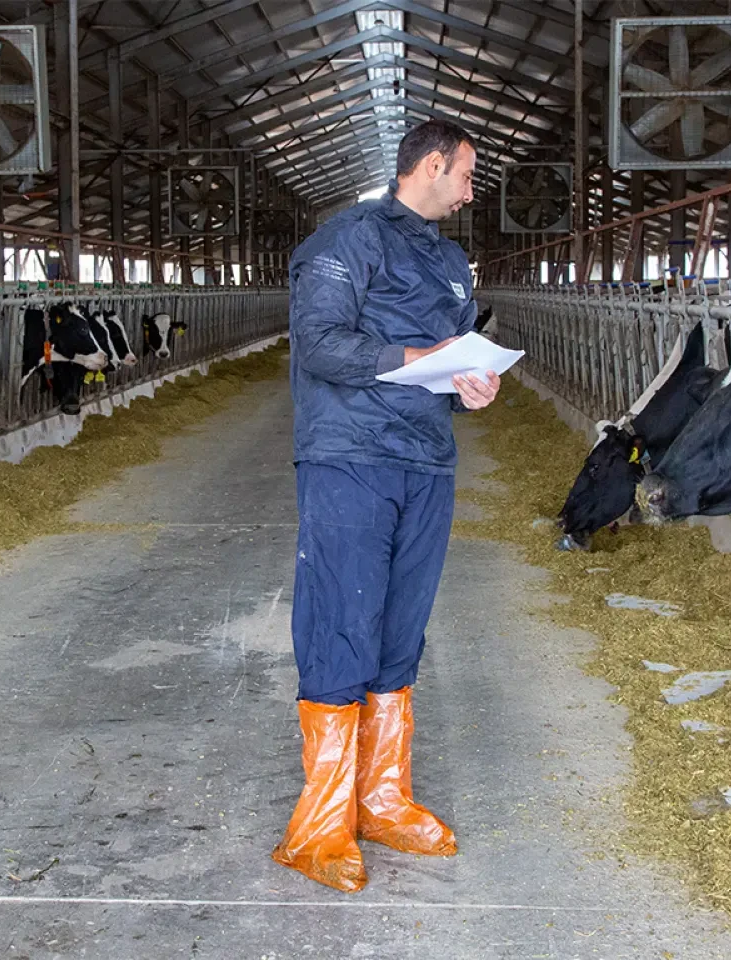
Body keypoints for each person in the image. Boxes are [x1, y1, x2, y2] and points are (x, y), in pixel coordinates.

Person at [272, 119, 500, 893]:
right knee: (343, 618)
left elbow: (452, 357)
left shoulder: (451, 262)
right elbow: (323, 343)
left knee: (402, 627)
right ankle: (321, 825)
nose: (473, 190)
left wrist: (471, 384)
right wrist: (423, 358)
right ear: (431, 165)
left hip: (426, 459)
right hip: (350, 457)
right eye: (467, 174)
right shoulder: (345, 241)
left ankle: (382, 798)